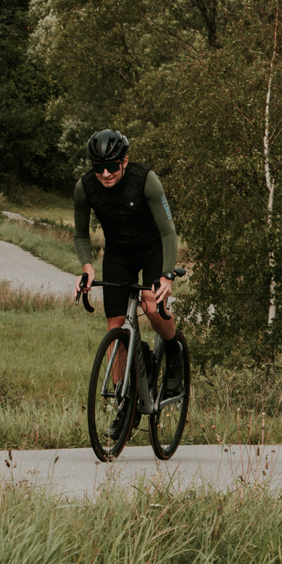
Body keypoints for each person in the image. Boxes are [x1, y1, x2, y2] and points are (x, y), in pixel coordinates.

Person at [73, 128, 184, 396]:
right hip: (118, 254)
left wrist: (167, 275)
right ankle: (122, 398)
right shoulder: (85, 187)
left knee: (152, 306)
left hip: (151, 249)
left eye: (112, 166)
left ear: (124, 160)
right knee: (115, 324)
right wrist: (87, 268)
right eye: (99, 168)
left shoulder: (145, 180)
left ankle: (174, 351)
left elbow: (168, 230)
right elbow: (80, 234)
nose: (106, 174)